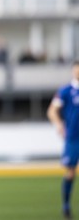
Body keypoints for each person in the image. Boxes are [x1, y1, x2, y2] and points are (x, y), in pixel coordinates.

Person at [47, 60, 79, 220]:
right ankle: (66, 205)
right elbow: (52, 110)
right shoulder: (66, 90)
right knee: (71, 172)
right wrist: (59, 124)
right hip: (73, 137)